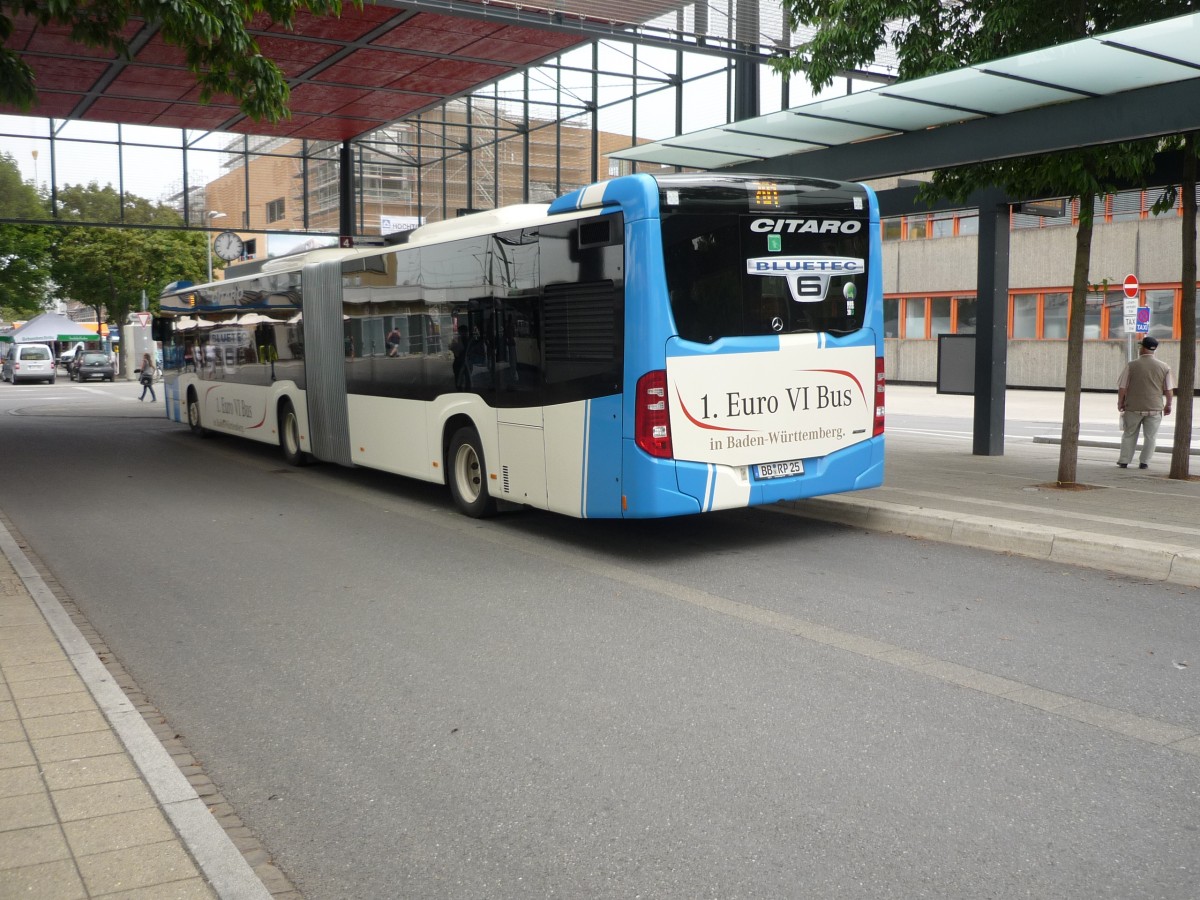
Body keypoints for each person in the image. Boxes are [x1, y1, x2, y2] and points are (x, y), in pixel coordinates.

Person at [1116, 335, 1174, 469]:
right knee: (1151, 437)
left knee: (1129, 434)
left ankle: (1124, 460)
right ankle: (1144, 462)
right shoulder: (1164, 367)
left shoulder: (1132, 365)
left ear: (1142, 348)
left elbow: (1123, 387)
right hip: (1154, 407)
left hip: (1133, 407)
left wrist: (1120, 402)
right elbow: (1168, 389)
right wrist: (1168, 404)